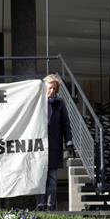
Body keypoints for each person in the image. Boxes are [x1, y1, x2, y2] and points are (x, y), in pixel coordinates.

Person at [37, 74, 73, 211]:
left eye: (54, 88)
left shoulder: (60, 103)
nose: (52, 91)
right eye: (50, 87)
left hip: (54, 146)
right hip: (39, 147)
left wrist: (69, 142)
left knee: (52, 178)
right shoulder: (37, 102)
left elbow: (66, 125)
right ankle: (40, 205)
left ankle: (50, 206)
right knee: (39, 177)